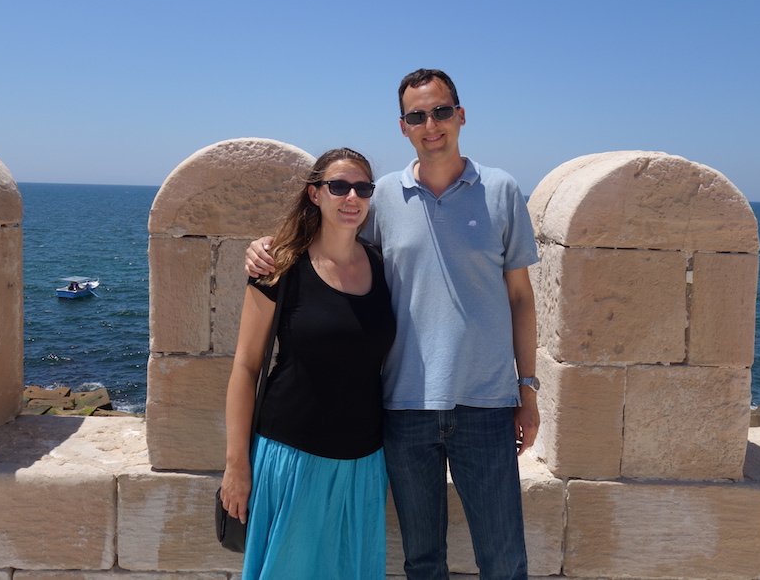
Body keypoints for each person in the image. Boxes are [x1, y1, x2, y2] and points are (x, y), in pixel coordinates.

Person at [246, 69, 540, 579]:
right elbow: (334, 246)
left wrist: (528, 390)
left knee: (505, 559)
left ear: (461, 116)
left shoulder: (501, 191)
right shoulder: (381, 196)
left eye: (441, 111)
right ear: (403, 126)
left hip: (487, 404)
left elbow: (520, 298)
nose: (431, 124)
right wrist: (266, 246)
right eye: (417, 115)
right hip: (404, 409)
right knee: (422, 562)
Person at [223, 148, 397, 579]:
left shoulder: (383, 265)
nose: (351, 197)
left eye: (362, 188)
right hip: (292, 457)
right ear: (315, 194)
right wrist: (236, 465)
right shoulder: (278, 265)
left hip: (363, 462)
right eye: (338, 186)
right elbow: (245, 367)